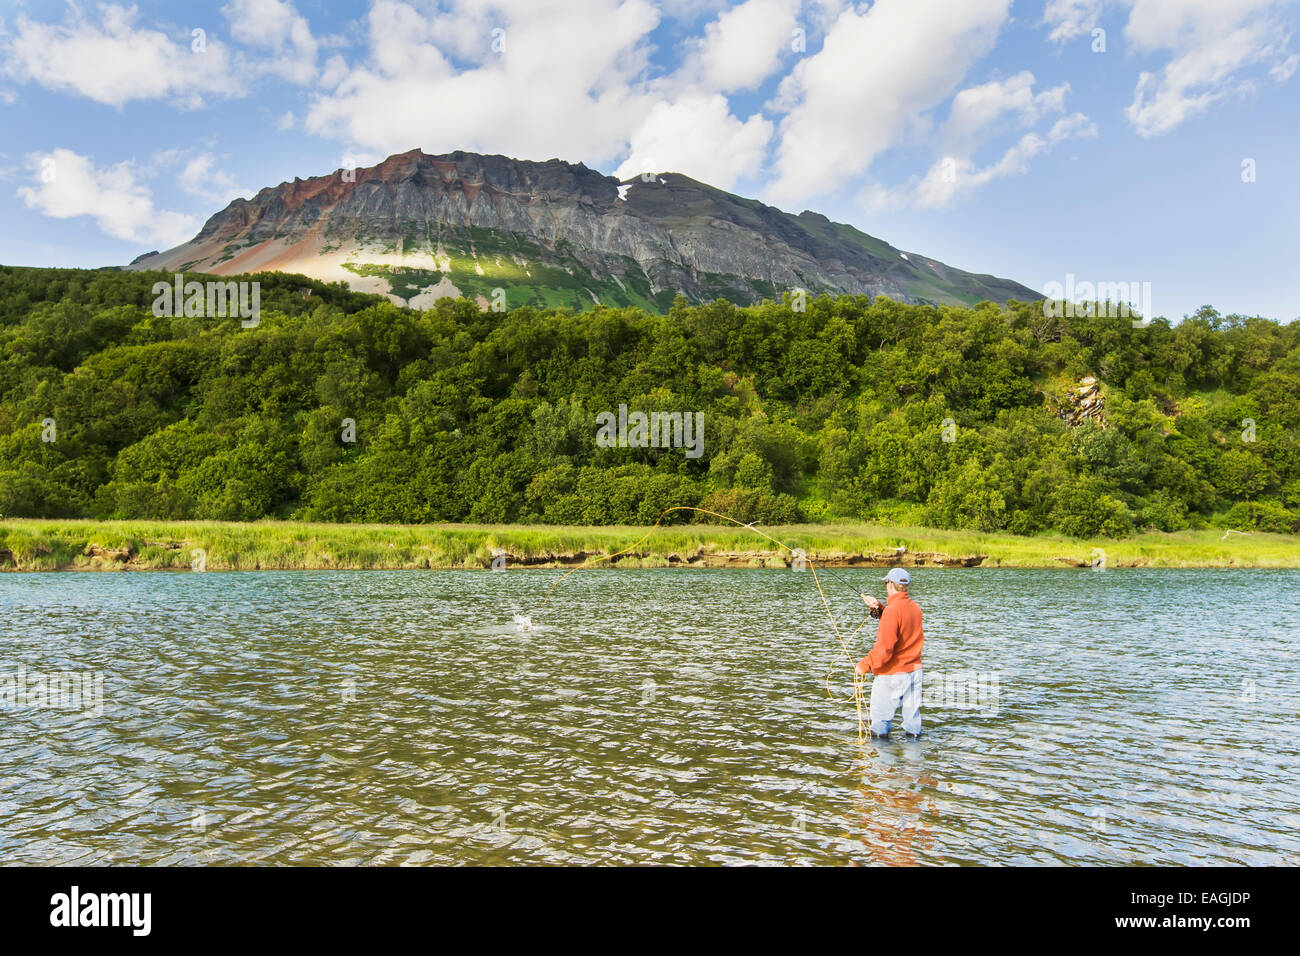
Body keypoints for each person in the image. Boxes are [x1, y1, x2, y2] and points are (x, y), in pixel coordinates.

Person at [856, 568, 924, 739]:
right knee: (913, 725)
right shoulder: (915, 608)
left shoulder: (893, 611)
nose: (886, 586)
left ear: (891, 584)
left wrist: (865, 665)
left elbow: (885, 649)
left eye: (886, 583)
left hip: (892, 674)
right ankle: (914, 763)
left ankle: (881, 763)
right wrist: (878, 607)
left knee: (880, 725)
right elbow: (901, 624)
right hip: (915, 672)